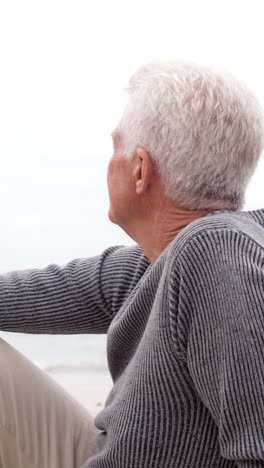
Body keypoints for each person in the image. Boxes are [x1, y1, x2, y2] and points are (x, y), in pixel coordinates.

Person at [0, 61, 264, 468]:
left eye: (115, 147)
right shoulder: (147, 266)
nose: (109, 163)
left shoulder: (216, 254)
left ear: (141, 170)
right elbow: (18, 296)